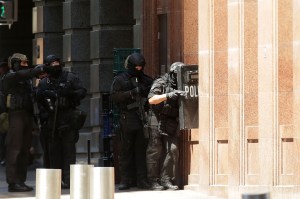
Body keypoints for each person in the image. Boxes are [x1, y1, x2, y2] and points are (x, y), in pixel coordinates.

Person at [36, 54, 87, 189]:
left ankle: (68, 179)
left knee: (69, 150)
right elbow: (39, 101)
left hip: (68, 118)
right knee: (53, 152)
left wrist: (70, 93)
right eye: (52, 64)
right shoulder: (43, 83)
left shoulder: (70, 78)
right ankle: (55, 180)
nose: (55, 66)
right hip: (52, 120)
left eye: (57, 63)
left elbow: (82, 91)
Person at [3, 53, 51, 192]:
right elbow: (22, 75)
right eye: (22, 63)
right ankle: (13, 182)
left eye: (26, 63)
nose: (25, 65)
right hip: (15, 115)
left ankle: (20, 180)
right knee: (14, 149)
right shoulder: (10, 77)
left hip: (27, 115)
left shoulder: (27, 81)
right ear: (15, 64)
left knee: (24, 150)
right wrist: (37, 70)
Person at [111, 52, 153, 190]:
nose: (139, 70)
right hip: (127, 117)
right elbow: (115, 97)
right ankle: (126, 180)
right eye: (136, 67)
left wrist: (144, 92)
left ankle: (142, 180)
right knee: (126, 151)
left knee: (141, 151)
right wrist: (132, 92)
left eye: (141, 67)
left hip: (142, 118)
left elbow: (152, 97)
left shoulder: (146, 80)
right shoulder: (120, 80)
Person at [147, 62, 187, 190]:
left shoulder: (183, 84)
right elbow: (151, 99)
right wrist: (168, 95)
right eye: (177, 74)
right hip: (156, 118)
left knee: (173, 150)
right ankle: (152, 180)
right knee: (155, 150)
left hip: (170, 120)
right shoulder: (161, 82)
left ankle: (166, 179)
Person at [0, 61, 9, 166]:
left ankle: (4, 157)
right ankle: (3, 157)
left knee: (5, 137)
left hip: (6, 113)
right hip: (3, 112)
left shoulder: (6, 79)